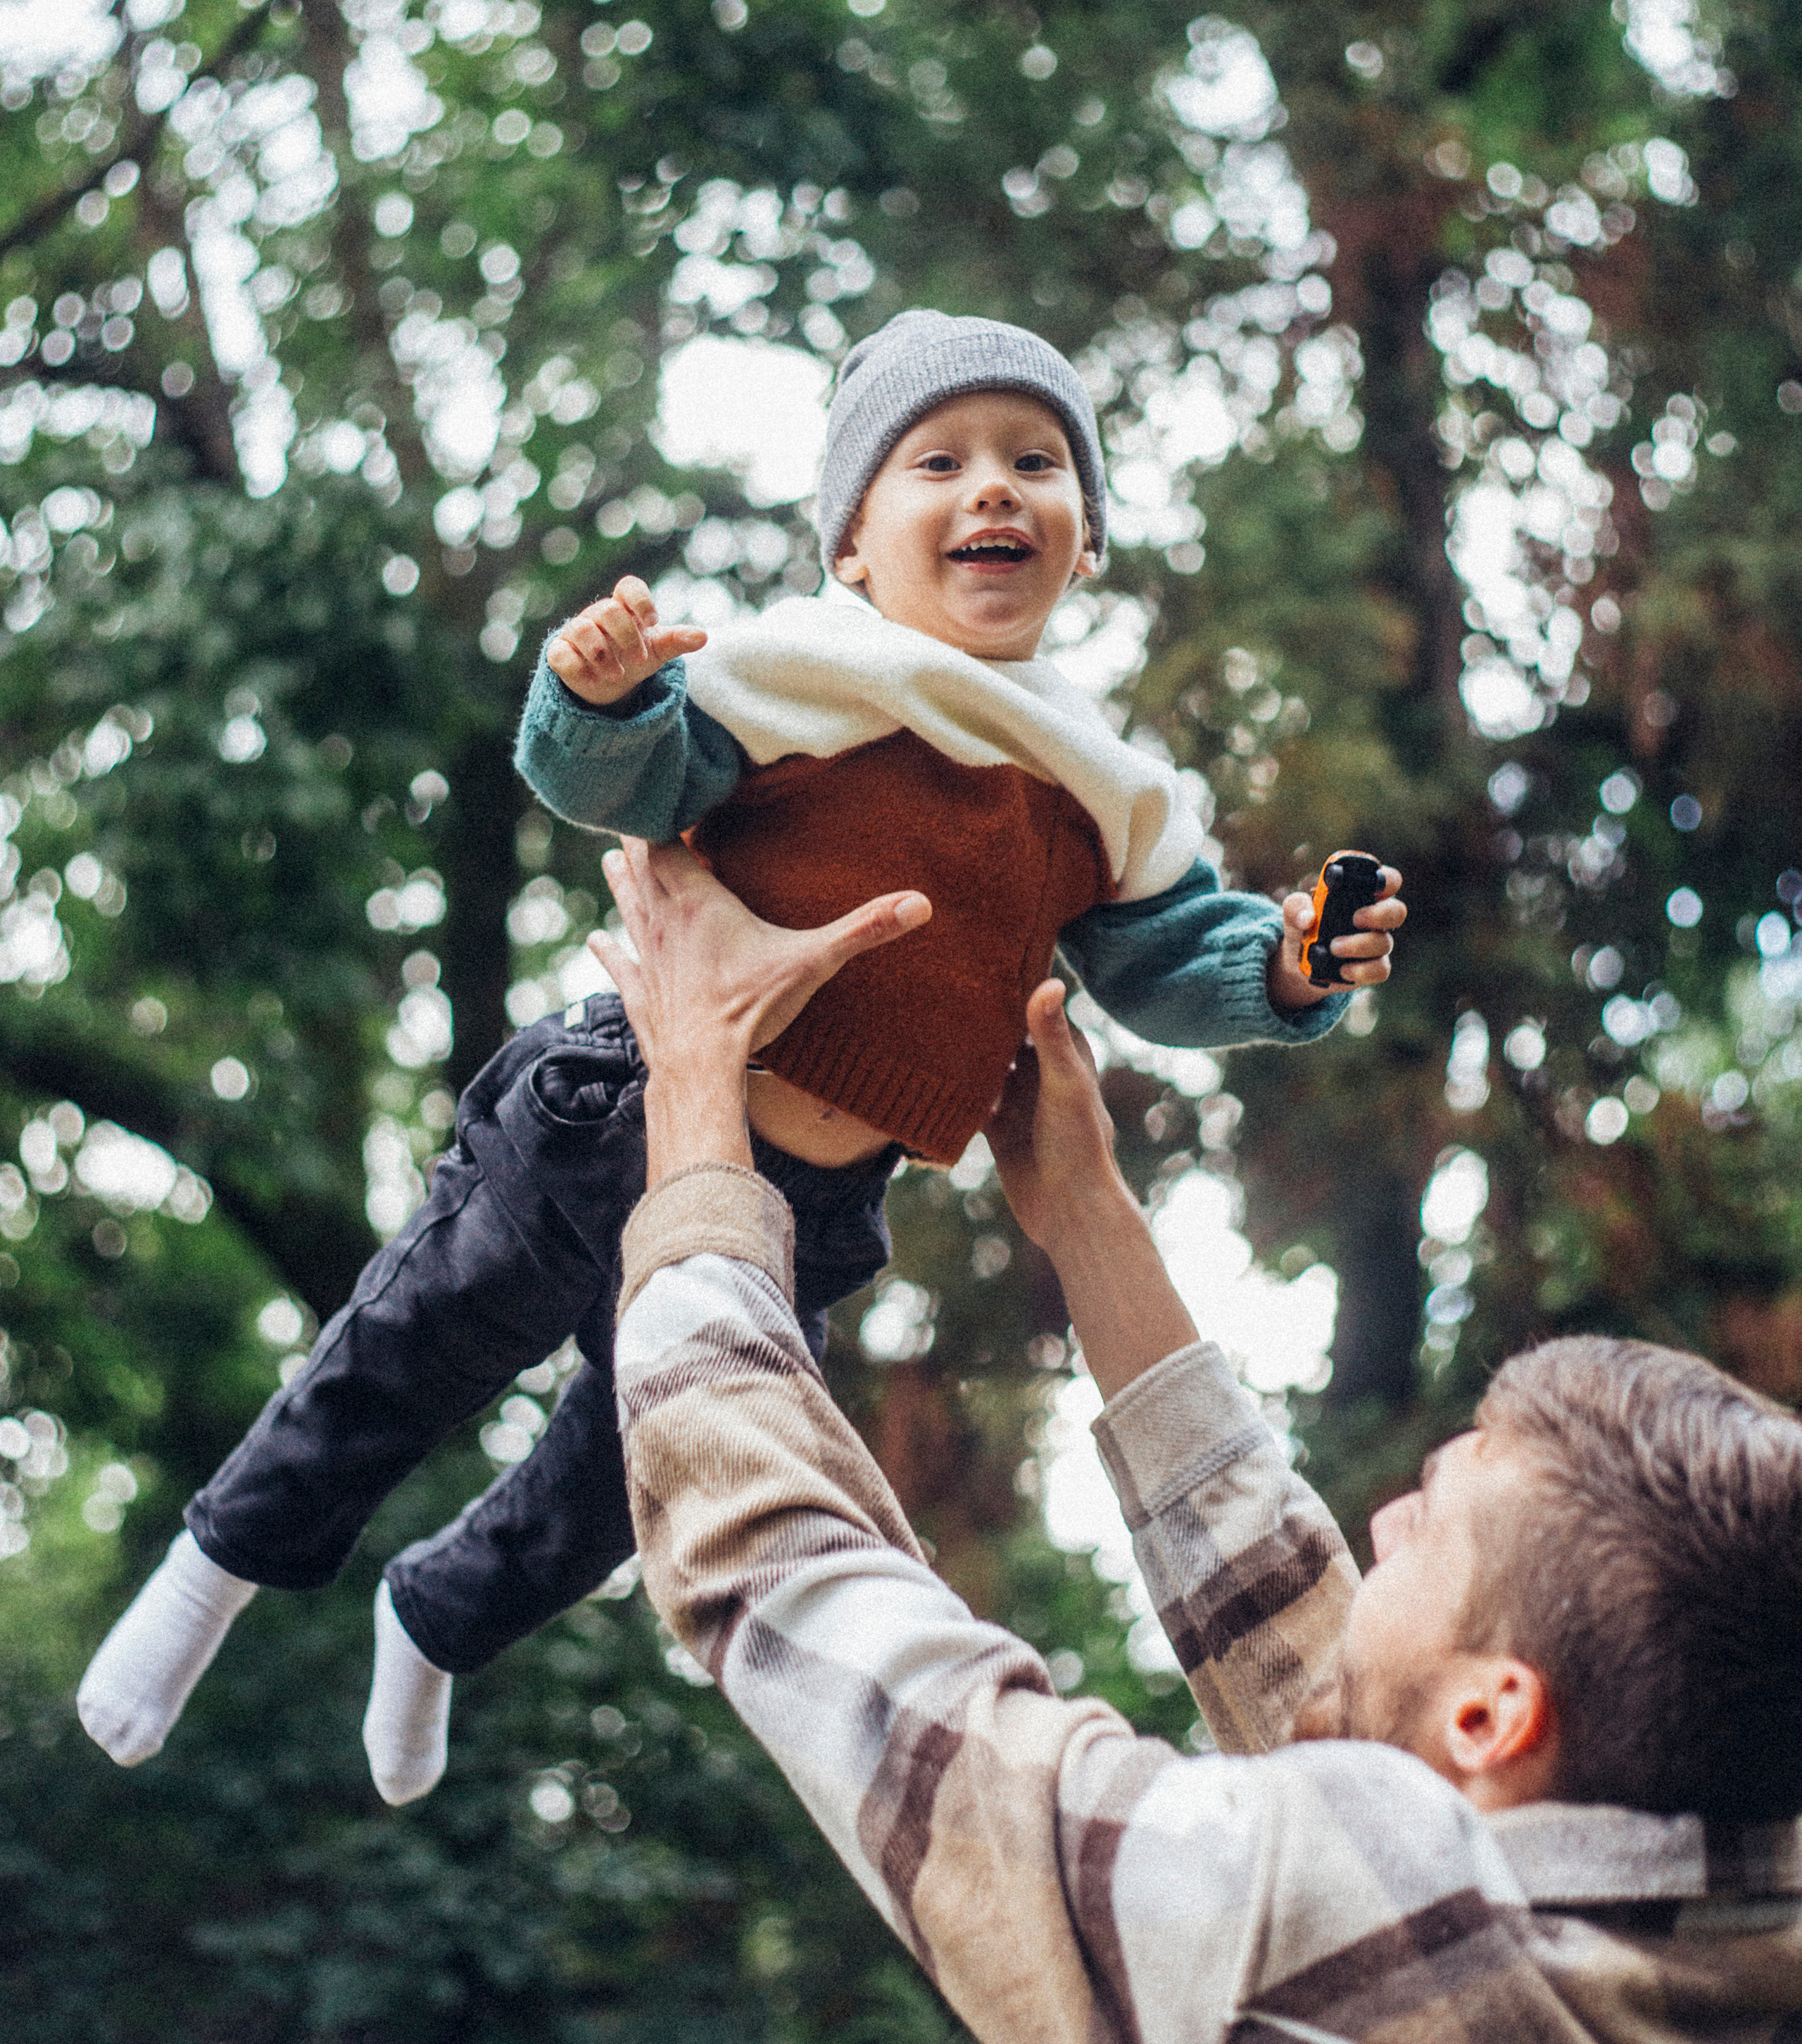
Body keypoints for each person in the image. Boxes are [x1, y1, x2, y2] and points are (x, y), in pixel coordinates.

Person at [77, 310, 1406, 1805]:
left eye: (1035, 463)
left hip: (802, 1218)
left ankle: (435, 1615)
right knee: (412, 1346)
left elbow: (1167, 961)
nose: (992, 490)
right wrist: (593, 689)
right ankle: (216, 1565)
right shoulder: (796, 675)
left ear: (1082, 542)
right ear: (850, 543)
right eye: (940, 461)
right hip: (621, 1114)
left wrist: (1287, 963)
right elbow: (615, 776)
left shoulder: (1099, 783)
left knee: (624, 1485)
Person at [605, 836, 1802, 2044]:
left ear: (1494, 1716)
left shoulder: (1390, 1937)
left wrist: (695, 1079)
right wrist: (1087, 1216)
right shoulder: (1740, 1898)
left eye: (1429, 1519)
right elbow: (1336, 1672)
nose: (1379, 1525)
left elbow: (839, 1641)